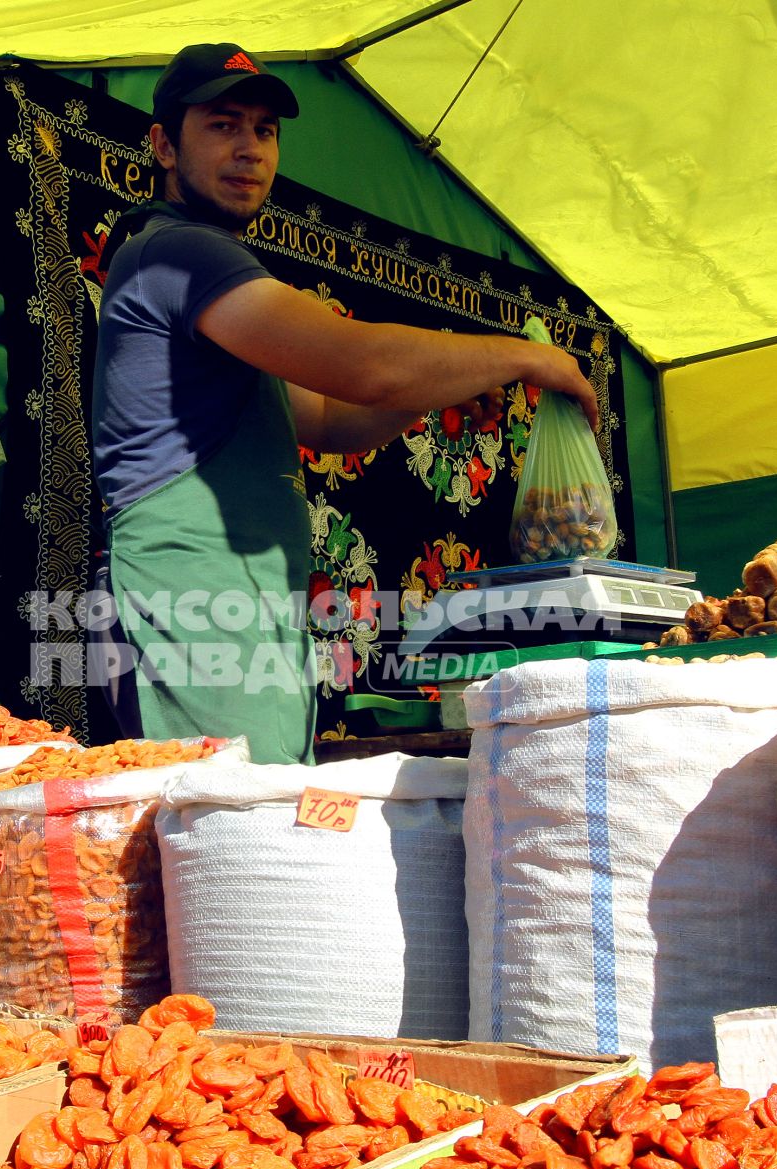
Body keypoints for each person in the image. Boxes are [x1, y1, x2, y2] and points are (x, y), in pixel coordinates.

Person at [90, 43, 600, 765]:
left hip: (243, 609)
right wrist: (521, 354)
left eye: (264, 131)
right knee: (234, 846)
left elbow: (332, 422)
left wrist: (458, 383)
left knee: (249, 842)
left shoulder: (210, 275)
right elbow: (366, 368)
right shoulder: (178, 255)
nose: (249, 149)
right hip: (190, 602)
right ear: (164, 145)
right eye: (223, 125)